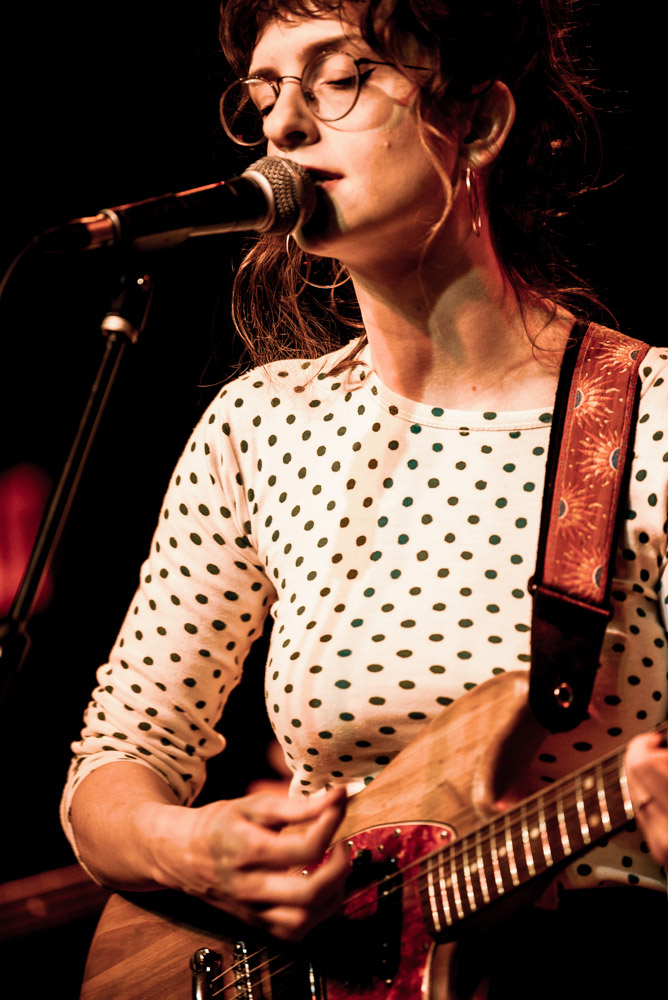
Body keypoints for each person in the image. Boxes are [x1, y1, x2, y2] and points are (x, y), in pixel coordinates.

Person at [62, 0, 668, 995]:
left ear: (473, 122)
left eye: (338, 75)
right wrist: (188, 846)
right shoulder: (258, 428)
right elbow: (124, 755)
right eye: (264, 93)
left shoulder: (644, 419)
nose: (284, 128)